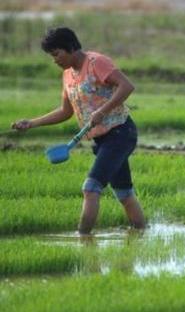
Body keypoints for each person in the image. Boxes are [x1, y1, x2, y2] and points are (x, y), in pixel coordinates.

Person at [11, 27, 145, 234]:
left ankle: (83, 238)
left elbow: (126, 86)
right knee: (124, 193)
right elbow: (65, 111)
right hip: (101, 140)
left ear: (71, 47)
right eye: (51, 56)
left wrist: (102, 110)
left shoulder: (96, 63)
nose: (54, 60)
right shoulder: (67, 75)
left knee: (90, 188)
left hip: (120, 133)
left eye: (57, 54)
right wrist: (32, 123)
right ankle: (141, 231)